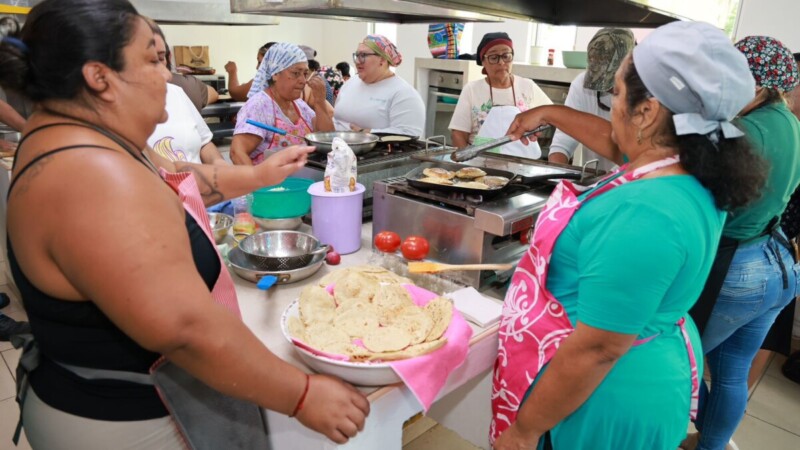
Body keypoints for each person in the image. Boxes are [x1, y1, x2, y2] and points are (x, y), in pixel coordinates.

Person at [0, 2, 368, 449]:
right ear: (100, 77)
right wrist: (302, 394)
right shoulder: (91, 175)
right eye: (155, 59)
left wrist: (257, 175)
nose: (169, 76)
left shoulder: (79, 136)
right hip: (125, 423)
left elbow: (179, 174)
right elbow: (186, 329)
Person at [491, 21, 766, 450]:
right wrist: (547, 112)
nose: (613, 105)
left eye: (617, 93)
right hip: (623, 378)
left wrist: (524, 431)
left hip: (599, 402)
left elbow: (596, 348)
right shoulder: (687, 163)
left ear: (647, 111)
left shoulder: (647, 211)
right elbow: (616, 142)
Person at [680, 35, 800, 450]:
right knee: (731, 370)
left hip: (736, 270)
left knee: (680, 364)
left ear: (760, 82)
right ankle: (711, 447)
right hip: (777, 263)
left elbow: (692, 188)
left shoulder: (744, 131)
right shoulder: (789, 122)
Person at [449, 32, 551, 158]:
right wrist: (467, 165)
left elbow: (551, 117)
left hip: (523, 162)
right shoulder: (472, 90)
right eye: (493, 57)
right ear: (483, 62)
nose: (501, 62)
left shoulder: (527, 86)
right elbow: (458, 134)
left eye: (506, 56)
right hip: (481, 162)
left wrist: (537, 127)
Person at [230, 42, 333, 166]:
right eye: (296, 73)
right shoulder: (259, 106)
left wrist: (320, 102)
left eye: (305, 74)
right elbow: (237, 153)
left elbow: (327, 140)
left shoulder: (300, 106)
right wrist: (256, 182)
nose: (303, 80)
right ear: (275, 74)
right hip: (270, 183)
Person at [548, 28, 634, 172]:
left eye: (612, 83)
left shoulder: (648, 94)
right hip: (596, 179)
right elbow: (565, 137)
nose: (609, 90)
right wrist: (556, 175)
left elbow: (628, 153)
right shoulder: (581, 84)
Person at [145, 18, 226, 165]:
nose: (167, 75)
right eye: (150, 61)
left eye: (161, 58)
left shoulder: (176, 92)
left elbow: (204, 142)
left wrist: (220, 166)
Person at [333, 35, 425, 137]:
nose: (357, 61)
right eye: (356, 56)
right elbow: (336, 119)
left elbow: (409, 134)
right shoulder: (350, 83)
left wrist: (369, 133)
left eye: (363, 56)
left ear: (382, 59)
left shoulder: (403, 94)